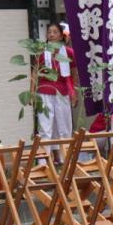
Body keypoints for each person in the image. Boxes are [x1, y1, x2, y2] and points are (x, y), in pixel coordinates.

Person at [36, 23, 76, 154]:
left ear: (61, 36)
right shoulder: (42, 52)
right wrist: (32, 92)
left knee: (64, 127)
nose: (51, 34)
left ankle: (65, 159)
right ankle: (44, 162)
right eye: (49, 32)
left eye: (55, 32)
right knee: (45, 127)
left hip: (62, 92)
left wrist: (73, 91)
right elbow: (35, 72)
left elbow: (73, 72)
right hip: (44, 92)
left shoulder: (69, 52)